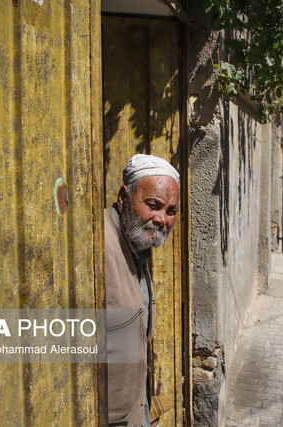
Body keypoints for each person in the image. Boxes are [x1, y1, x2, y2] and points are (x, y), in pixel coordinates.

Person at [106, 154, 180, 427]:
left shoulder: (138, 244)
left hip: (137, 411)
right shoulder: (98, 245)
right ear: (124, 196)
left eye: (171, 211)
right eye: (153, 205)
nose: (161, 219)